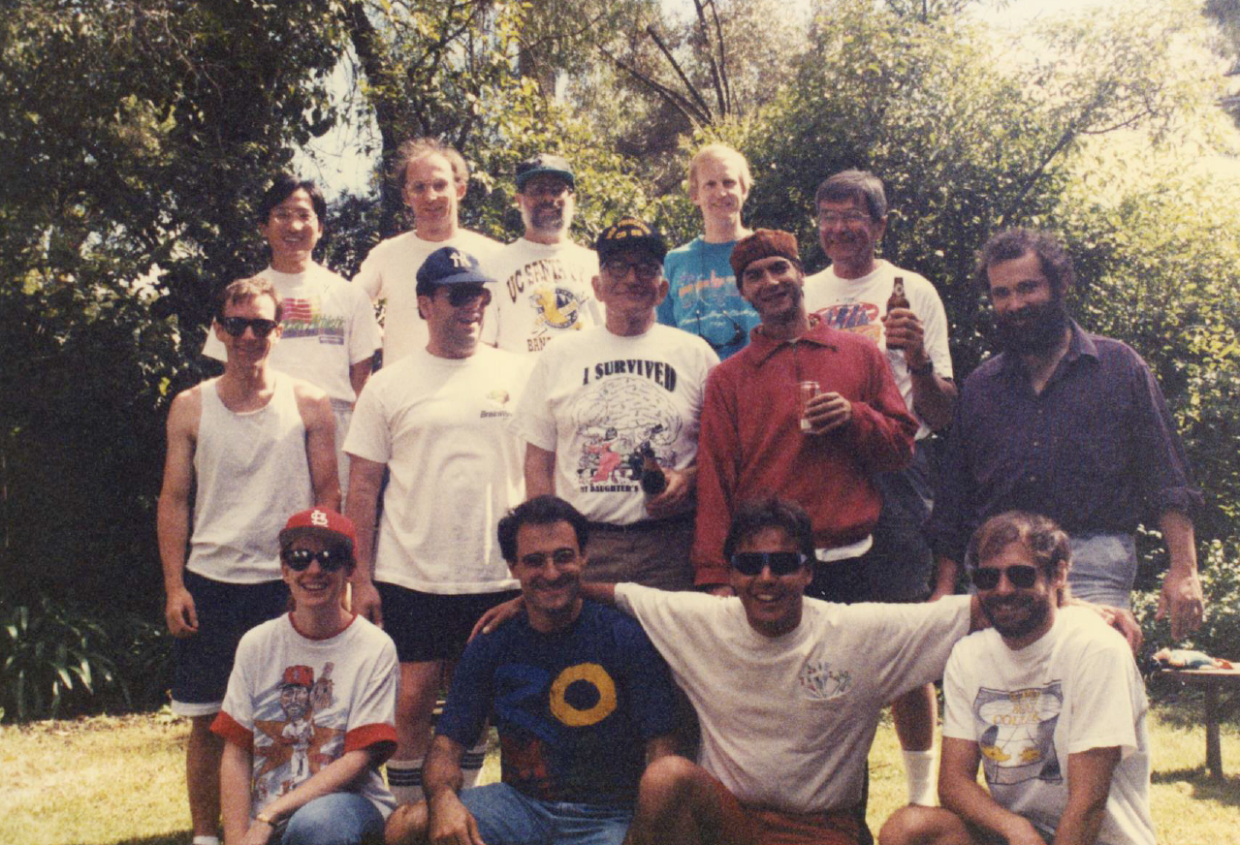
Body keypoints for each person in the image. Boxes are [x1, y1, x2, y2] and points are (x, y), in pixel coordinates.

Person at [926, 228, 1204, 640]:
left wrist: (1185, 569)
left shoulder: (1118, 367)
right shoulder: (982, 386)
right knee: (1003, 694)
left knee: (1091, 676)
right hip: (998, 573)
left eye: (1027, 288)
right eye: (1002, 293)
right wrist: (944, 591)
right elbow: (956, 498)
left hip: (1091, 562)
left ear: (1059, 284)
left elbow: (1166, 475)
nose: (1015, 304)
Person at [343, 246, 530, 805]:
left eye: (478, 294)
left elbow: (543, 468)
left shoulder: (520, 372)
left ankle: (463, 809)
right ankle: (408, 819)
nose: (470, 306)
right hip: (412, 574)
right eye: (456, 294)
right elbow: (362, 487)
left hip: (498, 576)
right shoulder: (387, 385)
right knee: (412, 701)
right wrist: (363, 578)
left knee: (493, 702)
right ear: (424, 304)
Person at [157, 277, 340, 845]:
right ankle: (208, 837)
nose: (248, 335)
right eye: (236, 324)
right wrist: (174, 586)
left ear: (278, 332)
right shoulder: (191, 405)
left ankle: (286, 827)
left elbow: (327, 497)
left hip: (286, 583)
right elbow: (174, 500)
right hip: (210, 583)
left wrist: (319, 575)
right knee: (210, 723)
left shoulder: (309, 403)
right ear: (219, 330)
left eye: (261, 325)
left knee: (296, 718)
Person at [384, 495, 678, 845]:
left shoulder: (623, 636)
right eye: (535, 561)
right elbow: (446, 747)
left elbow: (664, 750)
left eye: (563, 557)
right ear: (513, 566)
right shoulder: (493, 642)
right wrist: (444, 800)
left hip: (608, 816)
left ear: (584, 556)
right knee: (407, 825)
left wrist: (643, 832)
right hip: (519, 807)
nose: (551, 573)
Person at [802, 170, 958, 804]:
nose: (840, 228)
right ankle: (831, 797)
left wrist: (916, 359)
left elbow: (943, 414)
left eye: (854, 216)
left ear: (881, 225)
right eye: (828, 216)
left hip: (898, 469)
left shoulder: (913, 291)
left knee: (901, 636)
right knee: (825, 639)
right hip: (822, 471)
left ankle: (921, 800)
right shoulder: (804, 292)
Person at [880, 511, 1155, 845]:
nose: (1003, 589)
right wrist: (1015, 828)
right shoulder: (969, 656)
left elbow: (1088, 804)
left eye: (1021, 575)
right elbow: (954, 784)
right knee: (908, 829)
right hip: (1022, 836)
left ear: (1059, 574)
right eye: (987, 578)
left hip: (1095, 837)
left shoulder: (1097, 649)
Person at [693, 228, 918, 594]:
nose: (770, 282)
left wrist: (855, 417)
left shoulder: (861, 353)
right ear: (742, 291)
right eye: (755, 275)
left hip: (856, 559)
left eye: (779, 268)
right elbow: (715, 480)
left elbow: (902, 451)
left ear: (800, 274)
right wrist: (715, 575)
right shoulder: (727, 378)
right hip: (772, 567)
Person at [510, 217, 719, 590]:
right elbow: (538, 463)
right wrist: (550, 545)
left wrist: (687, 480)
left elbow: (722, 453)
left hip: (671, 546)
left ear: (662, 289)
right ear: (597, 286)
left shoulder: (696, 354)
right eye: (617, 267)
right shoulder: (560, 356)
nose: (631, 277)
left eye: (646, 268)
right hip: (589, 547)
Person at [213, 507, 400, 845]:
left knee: (318, 825)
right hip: (270, 821)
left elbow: (358, 759)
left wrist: (271, 815)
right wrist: (237, 838)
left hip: (346, 811)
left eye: (330, 557)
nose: (314, 569)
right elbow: (237, 752)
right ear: (285, 570)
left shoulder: (375, 648)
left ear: (350, 570)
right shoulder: (256, 644)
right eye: (300, 557)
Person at [202, 174, 381, 492]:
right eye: (282, 214)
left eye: (303, 215)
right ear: (263, 226)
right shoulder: (241, 298)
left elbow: (361, 384)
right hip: (261, 425)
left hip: (338, 430)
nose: (293, 226)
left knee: (330, 530)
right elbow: (229, 375)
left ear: (320, 227)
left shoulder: (350, 296)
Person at [354, 138, 502, 365]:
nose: (430, 197)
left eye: (440, 185)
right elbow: (349, 306)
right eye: (419, 187)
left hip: (477, 391)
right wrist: (374, 338)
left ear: (460, 189)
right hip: (405, 394)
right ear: (406, 196)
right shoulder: (386, 254)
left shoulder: (494, 255)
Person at [481, 153, 600, 353]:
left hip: (583, 382)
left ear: (572, 200)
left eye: (556, 190)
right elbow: (484, 346)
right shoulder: (493, 268)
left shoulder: (596, 264)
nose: (547, 198)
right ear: (519, 200)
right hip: (519, 383)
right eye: (537, 191)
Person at [657, 143, 761, 359]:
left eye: (729, 182)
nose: (721, 192)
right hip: (696, 383)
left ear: (744, 190)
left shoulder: (768, 251)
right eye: (710, 185)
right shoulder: (674, 262)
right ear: (695, 195)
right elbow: (663, 336)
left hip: (762, 381)